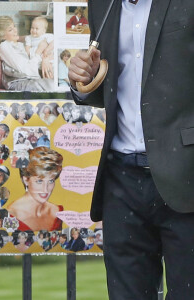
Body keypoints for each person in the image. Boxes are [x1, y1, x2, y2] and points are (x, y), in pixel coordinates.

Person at [68, 1, 194, 299]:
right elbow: (112, 86)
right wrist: (82, 80)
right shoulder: (102, 5)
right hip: (121, 179)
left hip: (186, 176)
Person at [8, 147, 63, 231]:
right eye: (39, 181)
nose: (46, 189)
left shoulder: (56, 212)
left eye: (51, 181)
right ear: (26, 179)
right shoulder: (11, 215)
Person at [0, 16, 54, 92]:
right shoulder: (5, 46)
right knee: (51, 85)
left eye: (14, 26)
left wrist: (46, 59)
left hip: (32, 78)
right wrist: (39, 52)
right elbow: (26, 71)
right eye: (10, 30)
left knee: (58, 83)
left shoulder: (20, 44)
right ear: (2, 35)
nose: (15, 30)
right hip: (18, 81)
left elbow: (34, 39)